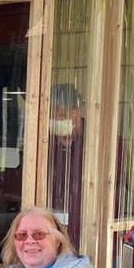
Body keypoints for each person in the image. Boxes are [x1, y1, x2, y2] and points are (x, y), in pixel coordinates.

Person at [48, 84, 84, 249]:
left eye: (62, 114)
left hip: (85, 235)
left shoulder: (101, 147)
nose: (58, 119)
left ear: (77, 112)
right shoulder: (44, 145)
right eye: (54, 115)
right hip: (51, 237)